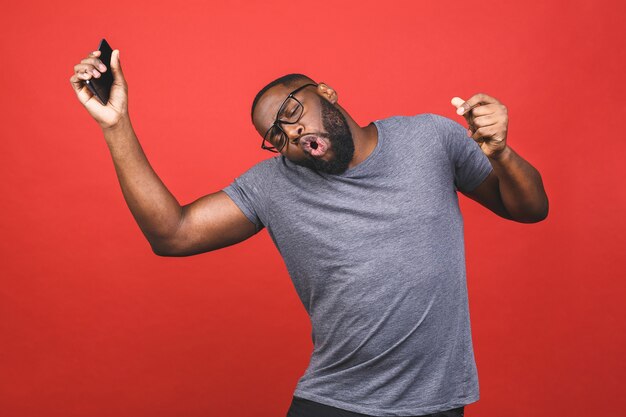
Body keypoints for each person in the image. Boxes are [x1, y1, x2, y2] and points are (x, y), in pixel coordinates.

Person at [70, 48, 549, 417]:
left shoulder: (430, 139)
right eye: (276, 136)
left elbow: (528, 208)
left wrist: (502, 153)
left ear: (328, 93)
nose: (290, 134)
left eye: (293, 112)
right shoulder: (273, 183)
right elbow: (172, 235)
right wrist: (116, 126)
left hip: (440, 401)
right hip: (338, 403)